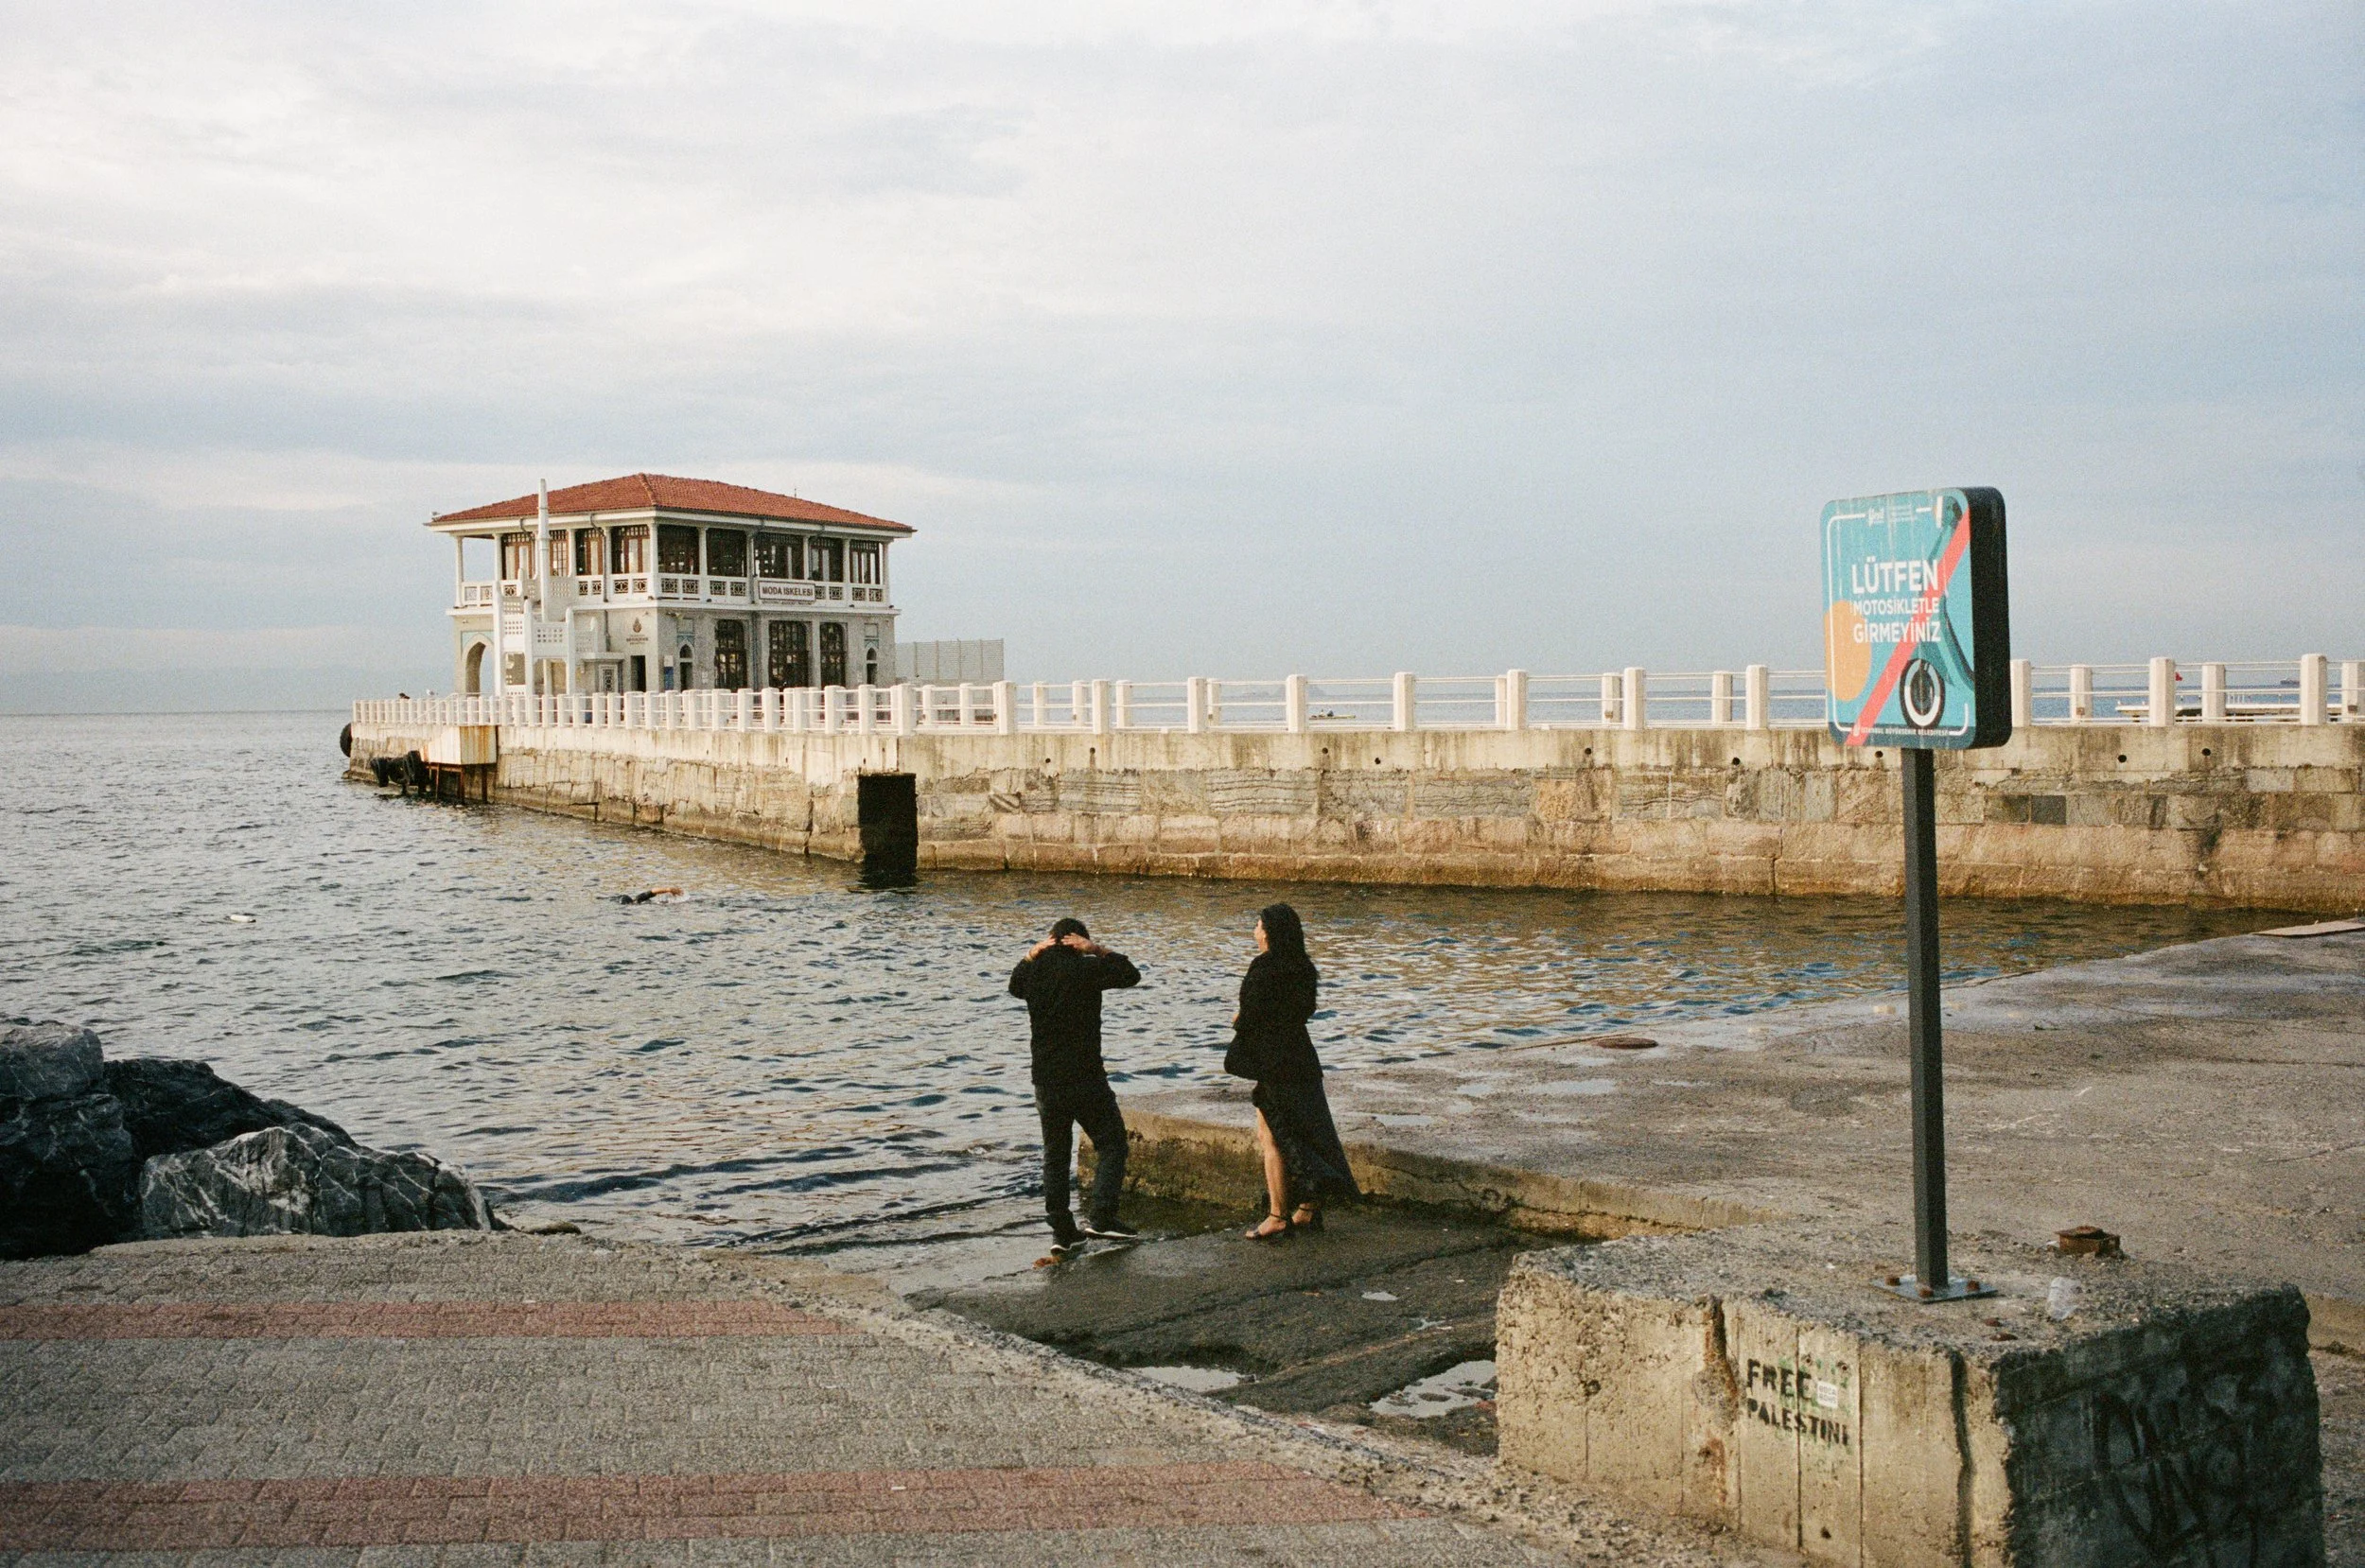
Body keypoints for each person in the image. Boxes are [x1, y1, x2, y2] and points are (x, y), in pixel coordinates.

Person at [1224, 902, 1359, 1242]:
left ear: (1268, 932)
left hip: (1274, 1063)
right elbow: (1306, 1010)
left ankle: (1276, 1216)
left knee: (1272, 1137)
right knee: (1307, 1133)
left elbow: (1250, 1012)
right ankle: (1307, 1209)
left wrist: (1240, 1020)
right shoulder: (1303, 967)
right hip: (1302, 1059)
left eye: (1257, 924)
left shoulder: (1263, 966)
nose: (1254, 930)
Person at [1009, 917, 1143, 1252]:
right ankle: (1102, 1218)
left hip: (1046, 1080)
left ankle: (1062, 1231)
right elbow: (1131, 975)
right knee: (1112, 1143)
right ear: (1077, 942)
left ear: (1050, 941)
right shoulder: (1087, 969)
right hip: (1085, 1078)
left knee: (1055, 1155)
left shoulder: (1034, 973)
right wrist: (1097, 950)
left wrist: (1029, 954)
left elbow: (1014, 985)